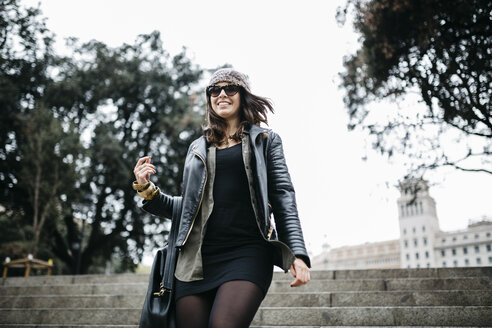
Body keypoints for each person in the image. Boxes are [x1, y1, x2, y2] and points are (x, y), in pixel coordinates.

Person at [133, 68, 310, 328]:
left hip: (247, 253)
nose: (222, 94)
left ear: (243, 95)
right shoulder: (197, 148)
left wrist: (297, 253)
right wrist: (145, 188)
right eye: (215, 90)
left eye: (230, 89)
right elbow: (189, 208)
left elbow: (283, 197)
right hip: (196, 262)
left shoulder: (265, 140)